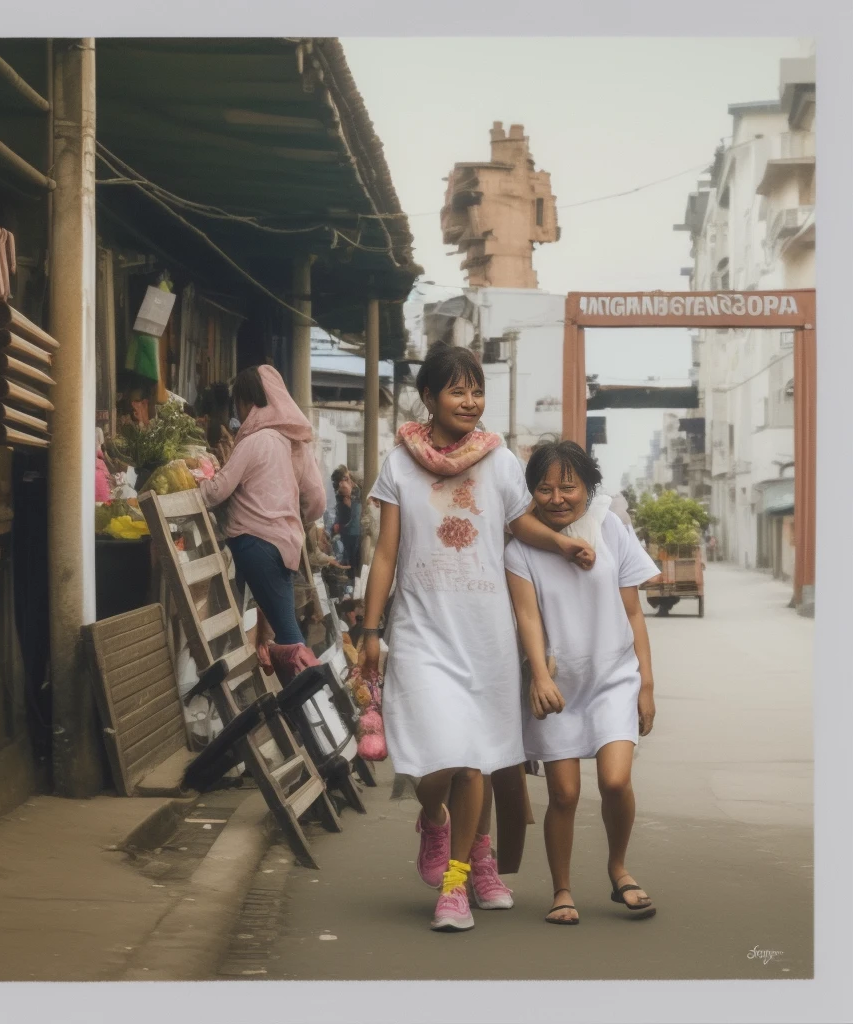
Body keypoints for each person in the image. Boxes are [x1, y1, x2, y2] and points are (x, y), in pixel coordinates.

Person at [359, 343, 596, 933]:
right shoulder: (399, 464)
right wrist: (368, 629)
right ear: (431, 398)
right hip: (421, 631)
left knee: (474, 761)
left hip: (485, 633)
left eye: (477, 391)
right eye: (457, 391)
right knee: (432, 764)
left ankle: (461, 879)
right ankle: (435, 819)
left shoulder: (499, 462)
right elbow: (385, 552)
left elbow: (520, 524)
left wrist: (564, 542)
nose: (470, 402)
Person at [504, 440, 660, 925]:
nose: (557, 498)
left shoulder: (610, 527)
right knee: (564, 795)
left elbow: (633, 612)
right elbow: (527, 619)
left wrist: (647, 685)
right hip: (557, 687)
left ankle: (618, 868)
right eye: (544, 489)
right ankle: (562, 890)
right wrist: (539, 677)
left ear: (587, 488)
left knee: (615, 780)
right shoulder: (518, 549)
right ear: (530, 493)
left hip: (614, 677)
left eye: (568, 487)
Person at [199, 365, 326, 647]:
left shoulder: (254, 440)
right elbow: (317, 499)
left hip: (254, 546)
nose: (238, 413)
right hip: (286, 546)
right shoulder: (295, 443)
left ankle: (308, 687)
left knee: (286, 633)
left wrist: (197, 486)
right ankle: (243, 683)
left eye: (239, 404)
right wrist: (292, 516)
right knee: (256, 625)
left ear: (247, 402)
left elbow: (217, 492)